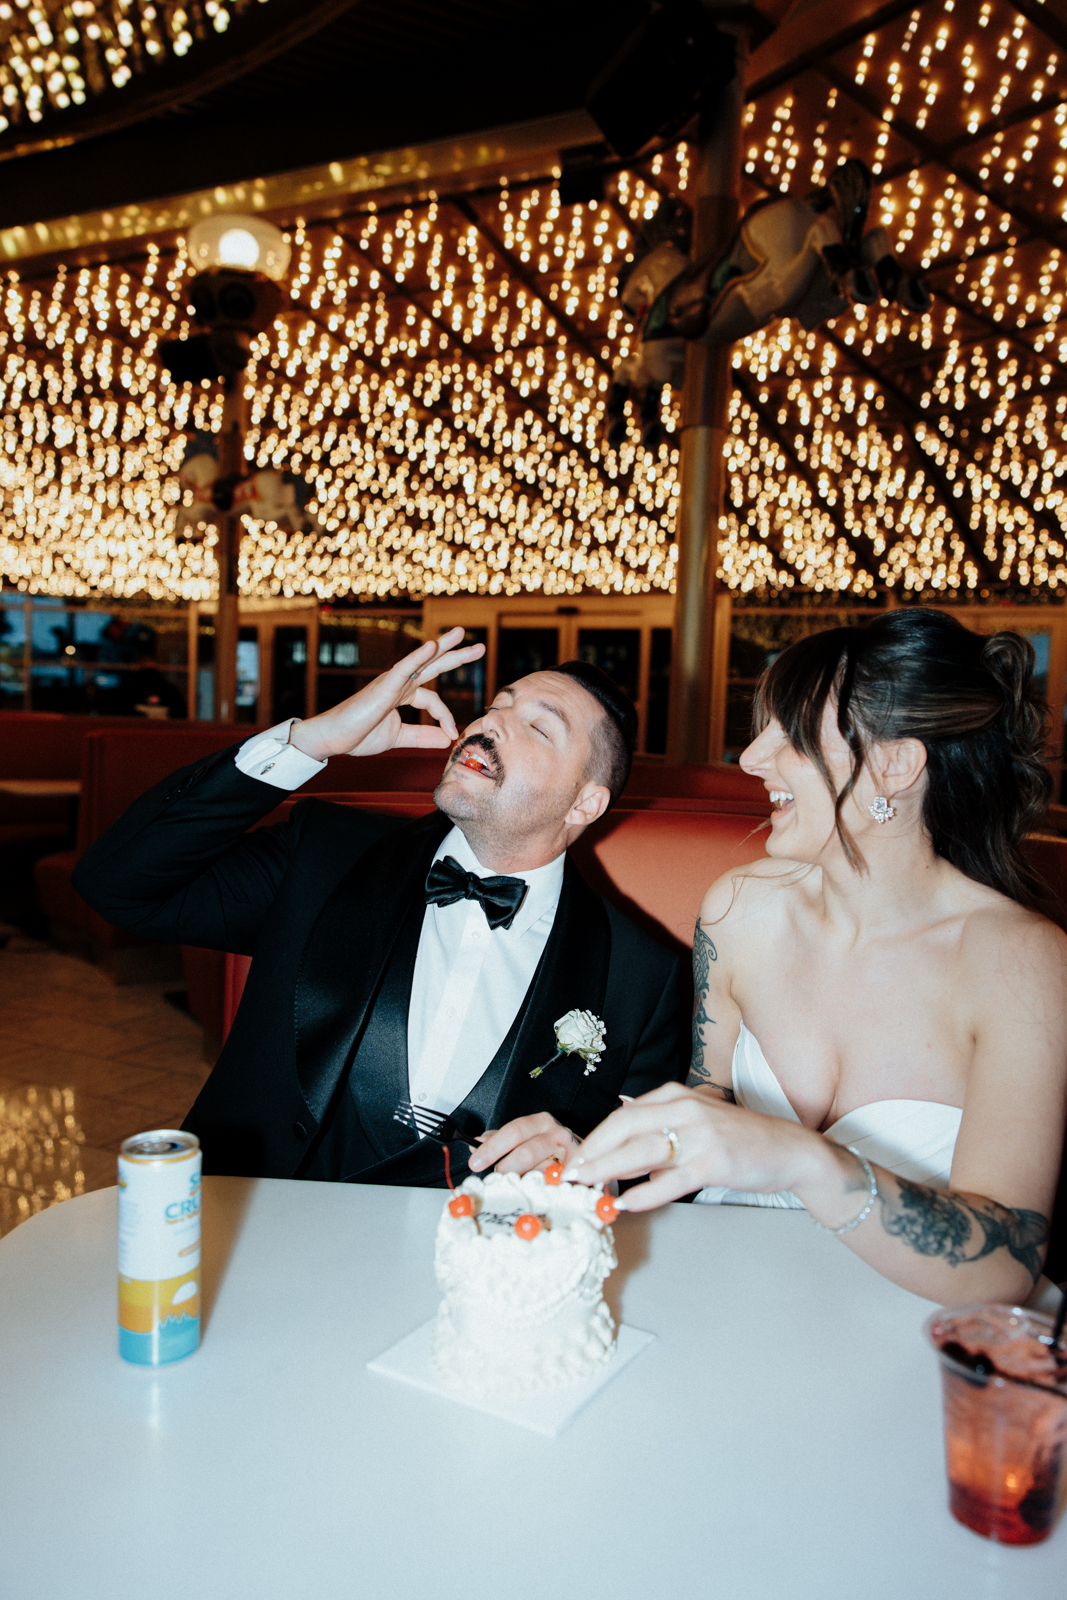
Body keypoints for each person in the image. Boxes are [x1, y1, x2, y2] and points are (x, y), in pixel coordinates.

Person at [565, 609, 1067, 1307]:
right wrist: (588, 1146)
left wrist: (803, 1162)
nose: (750, 759)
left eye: (789, 734)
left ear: (895, 763)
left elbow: (1007, 1257)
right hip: (719, 1286)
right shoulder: (738, 908)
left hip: (917, 1328)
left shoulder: (1022, 962)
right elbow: (707, 1094)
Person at [73, 628, 687, 1186]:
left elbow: (651, 1176)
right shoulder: (326, 856)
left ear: (584, 803)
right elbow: (117, 884)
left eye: (538, 726)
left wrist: (585, 1164)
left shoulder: (645, 976)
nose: (491, 723)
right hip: (257, 1242)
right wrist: (311, 740)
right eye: (498, 703)